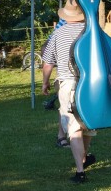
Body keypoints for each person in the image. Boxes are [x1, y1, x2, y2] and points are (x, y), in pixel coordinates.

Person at [42, 0, 96, 183]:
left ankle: (80, 172)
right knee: (87, 125)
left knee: (73, 128)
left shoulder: (58, 33)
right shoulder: (92, 32)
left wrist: (45, 82)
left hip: (68, 83)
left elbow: (48, 62)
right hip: (91, 84)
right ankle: (84, 157)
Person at [41, 17, 70, 148]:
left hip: (67, 77)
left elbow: (46, 50)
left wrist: (45, 82)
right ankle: (63, 136)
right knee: (66, 107)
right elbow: (47, 48)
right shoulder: (62, 26)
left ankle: (65, 137)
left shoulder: (89, 23)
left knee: (65, 108)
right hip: (71, 76)